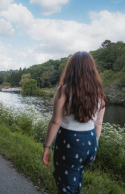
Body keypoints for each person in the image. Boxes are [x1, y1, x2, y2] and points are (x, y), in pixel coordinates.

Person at [42, 51, 106, 194]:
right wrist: (95, 145)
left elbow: (55, 122)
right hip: (90, 142)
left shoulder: (64, 90)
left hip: (70, 143)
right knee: (76, 180)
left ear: (71, 68)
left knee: (66, 187)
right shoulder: (100, 93)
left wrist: (46, 147)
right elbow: (98, 124)